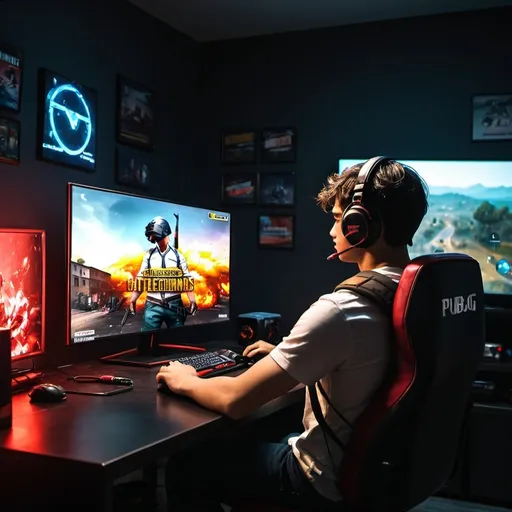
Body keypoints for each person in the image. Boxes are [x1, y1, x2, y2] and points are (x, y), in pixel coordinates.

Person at [157, 158, 429, 511]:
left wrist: (184, 378)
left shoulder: (342, 310)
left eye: (336, 219)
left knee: (187, 464)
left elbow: (235, 400)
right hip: (379, 473)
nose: (332, 232)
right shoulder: (415, 295)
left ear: (359, 225)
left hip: (321, 482)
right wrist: (293, 354)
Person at [130, 216, 197, 330]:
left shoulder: (178, 256)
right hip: (152, 305)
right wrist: (133, 299)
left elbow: (186, 280)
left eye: (154, 235)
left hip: (174, 306)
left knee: (178, 341)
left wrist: (192, 300)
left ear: (163, 231)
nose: (153, 238)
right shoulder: (149, 255)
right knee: (147, 341)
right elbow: (141, 280)